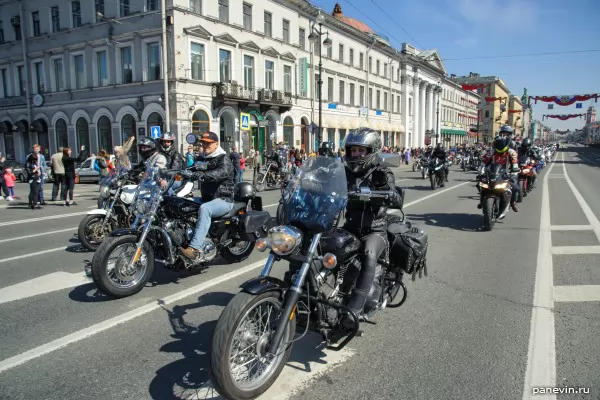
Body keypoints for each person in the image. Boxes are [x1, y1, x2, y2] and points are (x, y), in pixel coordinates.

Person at [341, 127, 403, 328]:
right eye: (353, 150)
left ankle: (355, 311)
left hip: (375, 230)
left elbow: (395, 197)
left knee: (369, 254)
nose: (356, 155)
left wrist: (387, 194)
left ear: (372, 150)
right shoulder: (344, 171)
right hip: (349, 227)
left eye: (361, 150)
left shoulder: (381, 172)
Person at [179, 132, 235, 260]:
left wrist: (203, 175)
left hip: (223, 199)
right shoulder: (202, 158)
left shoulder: (223, 158)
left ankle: (194, 248)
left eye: (208, 143)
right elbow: (192, 168)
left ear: (216, 144)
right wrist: (174, 172)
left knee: (205, 209)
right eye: (203, 143)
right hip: (207, 198)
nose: (205, 145)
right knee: (182, 203)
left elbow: (222, 172)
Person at [479, 136, 520, 216]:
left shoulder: (511, 152)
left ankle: (513, 202)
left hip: (506, 174)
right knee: (480, 184)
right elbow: (484, 161)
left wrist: (514, 172)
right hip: (492, 173)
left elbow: (515, 163)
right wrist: (481, 170)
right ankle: (482, 201)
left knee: (515, 187)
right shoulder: (492, 152)